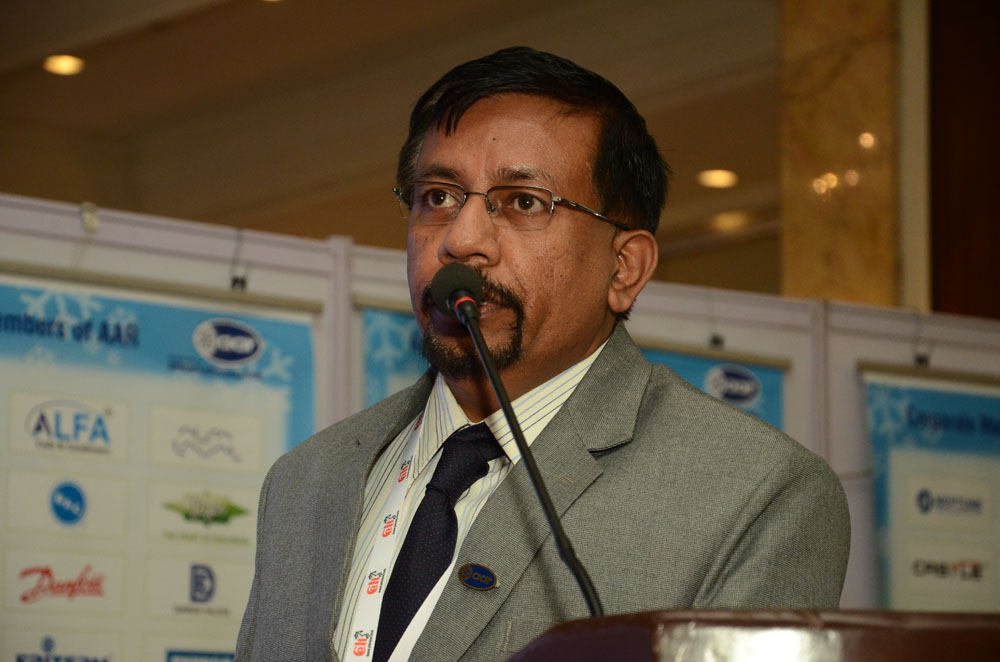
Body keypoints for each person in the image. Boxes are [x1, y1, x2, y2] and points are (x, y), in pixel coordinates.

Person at [236, 47, 850, 662]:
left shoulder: (758, 493)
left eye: (524, 202)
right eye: (439, 197)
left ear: (624, 267)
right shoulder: (307, 479)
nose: (461, 241)